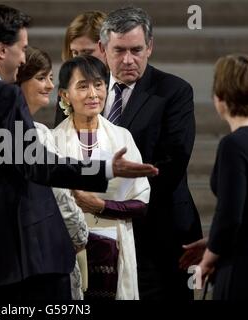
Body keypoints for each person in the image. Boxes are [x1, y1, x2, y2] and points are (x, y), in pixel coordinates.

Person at [0, 4, 158, 300]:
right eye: (21, 48)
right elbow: (38, 165)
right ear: (1, 50)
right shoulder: (5, 95)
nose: (23, 57)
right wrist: (106, 169)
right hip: (28, 259)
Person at [96, 6, 202, 300]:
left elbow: (171, 164)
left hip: (160, 234)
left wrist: (110, 204)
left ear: (150, 47)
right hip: (98, 234)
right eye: (119, 51)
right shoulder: (84, 90)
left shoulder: (175, 92)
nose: (128, 60)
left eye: (136, 50)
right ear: (103, 48)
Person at [53, 55, 150, 299]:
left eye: (98, 85)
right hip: (67, 248)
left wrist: (102, 206)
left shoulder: (122, 137)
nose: (93, 94)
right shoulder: (51, 141)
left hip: (114, 248)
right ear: (65, 95)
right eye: (83, 86)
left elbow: (142, 203)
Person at [195, 54, 248, 300]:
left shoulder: (233, 145)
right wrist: (212, 239)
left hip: (244, 262)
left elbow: (229, 216)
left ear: (220, 97)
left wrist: (207, 260)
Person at [16, 46, 88, 299]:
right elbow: (60, 197)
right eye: (40, 77)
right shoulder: (39, 134)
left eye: (50, 77)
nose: (49, 85)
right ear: (19, 81)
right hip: (45, 254)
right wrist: (80, 235)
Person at [55, 11, 107, 125]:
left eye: (87, 52)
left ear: (105, 47)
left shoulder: (120, 85)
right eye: (75, 52)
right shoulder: (69, 82)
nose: (80, 60)